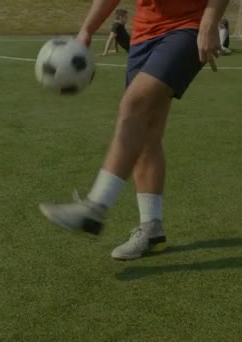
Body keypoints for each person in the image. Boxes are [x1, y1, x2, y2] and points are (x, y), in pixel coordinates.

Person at [39, 0, 228, 260]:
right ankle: (151, 228)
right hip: (143, 36)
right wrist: (87, 29)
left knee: (132, 106)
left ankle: (95, 207)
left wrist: (210, 20)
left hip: (186, 29)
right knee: (147, 133)